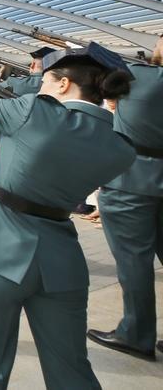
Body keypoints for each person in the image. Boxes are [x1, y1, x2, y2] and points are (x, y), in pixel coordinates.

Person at [0, 42, 137, 387]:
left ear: (63, 84)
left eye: (46, 80)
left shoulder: (34, 112)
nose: (39, 87)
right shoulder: (121, 148)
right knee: (70, 367)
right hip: (62, 258)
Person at [87, 35, 163, 360]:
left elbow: (93, 59)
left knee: (134, 263)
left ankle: (136, 334)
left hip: (130, 181)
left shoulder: (138, 76)